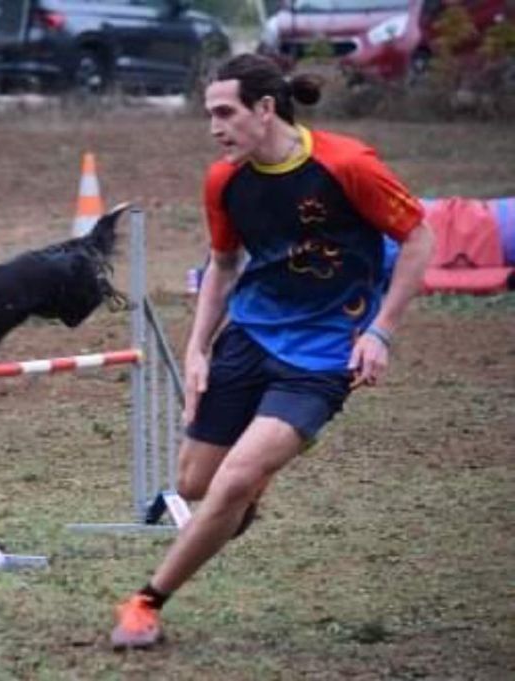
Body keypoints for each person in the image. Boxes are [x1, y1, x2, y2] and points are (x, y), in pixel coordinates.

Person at [110, 53, 436, 649]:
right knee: (193, 485)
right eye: (208, 114)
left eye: (224, 112)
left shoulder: (346, 165)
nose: (214, 127)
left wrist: (381, 331)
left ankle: (145, 602)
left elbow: (419, 236)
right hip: (250, 335)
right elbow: (224, 264)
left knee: (233, 481)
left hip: (323, 354)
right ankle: (246, 490)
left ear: (265, 109)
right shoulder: (224, 180)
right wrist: (197, 348)